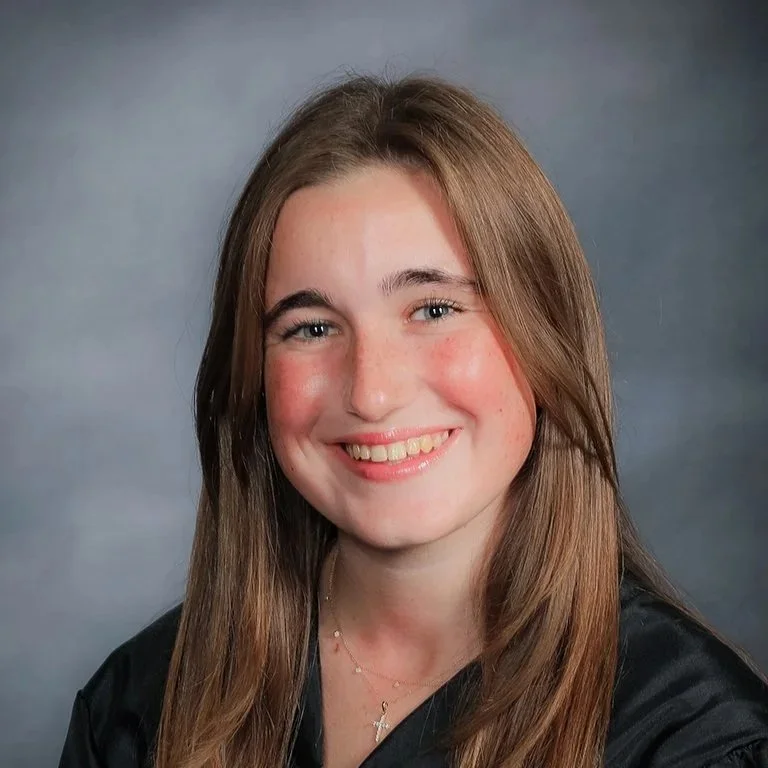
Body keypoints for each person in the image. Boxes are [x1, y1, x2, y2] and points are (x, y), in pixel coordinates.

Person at [58, 73, 768, 768]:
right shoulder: (140, 710)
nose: (372, 392)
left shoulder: (692, 738)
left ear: (546, 333)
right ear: (249, 379)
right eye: (310, 328)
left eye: (433, 309)